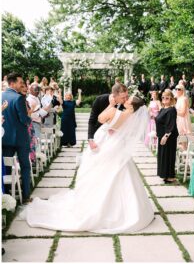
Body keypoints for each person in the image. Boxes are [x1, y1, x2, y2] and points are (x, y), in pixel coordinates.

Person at [21, 95, 154, 233]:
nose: (126, 99)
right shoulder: (131, 116)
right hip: (117, 146)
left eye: (128, 100)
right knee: (121, 174)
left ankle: (98, 208)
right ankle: (129, 210)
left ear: (131, 106)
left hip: (107, 144)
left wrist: (111, 107)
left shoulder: (118, 112)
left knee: (101, 173)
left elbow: (101, 119)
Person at [2, 72, 32, 203]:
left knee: (6, 166)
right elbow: (24, 120)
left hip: (4, 138)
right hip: (20, 139)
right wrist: (29, 117)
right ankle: (25, 195)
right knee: (25, 166)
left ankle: (7, 194)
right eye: (20, 83)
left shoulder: (1, 96)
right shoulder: (19, 98)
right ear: (12, 83)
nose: (22, 85)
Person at [88, 83, 128, 150]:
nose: (126, 99)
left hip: (117, 141)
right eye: (123, 97)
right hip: (100, 138)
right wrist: (91, 139)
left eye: (127, 96)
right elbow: (92, 121)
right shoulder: (99, 100)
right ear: (114, 96)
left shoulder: (126, 105)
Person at [155, 89, 179, 184]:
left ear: (171, 99)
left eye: (167, 97)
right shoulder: (162, 109)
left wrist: (166, 136)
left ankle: (170, 176)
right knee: (163, 156)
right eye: (163, 97)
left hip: (168, 137)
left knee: (168, 155)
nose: (165, 99)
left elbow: (171, 124)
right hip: (162, 136)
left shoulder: (172, 109)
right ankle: (164, 175)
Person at [175, 84, 192, 150]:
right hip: (179, 120)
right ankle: (182, 156)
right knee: (180, 141)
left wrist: (174, 111)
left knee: (183, 141)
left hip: (183, 121)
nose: (177, 90)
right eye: (176, 89)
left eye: (179, 89)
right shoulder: (178, 99)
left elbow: (183, 113)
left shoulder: (184, 99)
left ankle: (185, 156)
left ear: (182, 90)